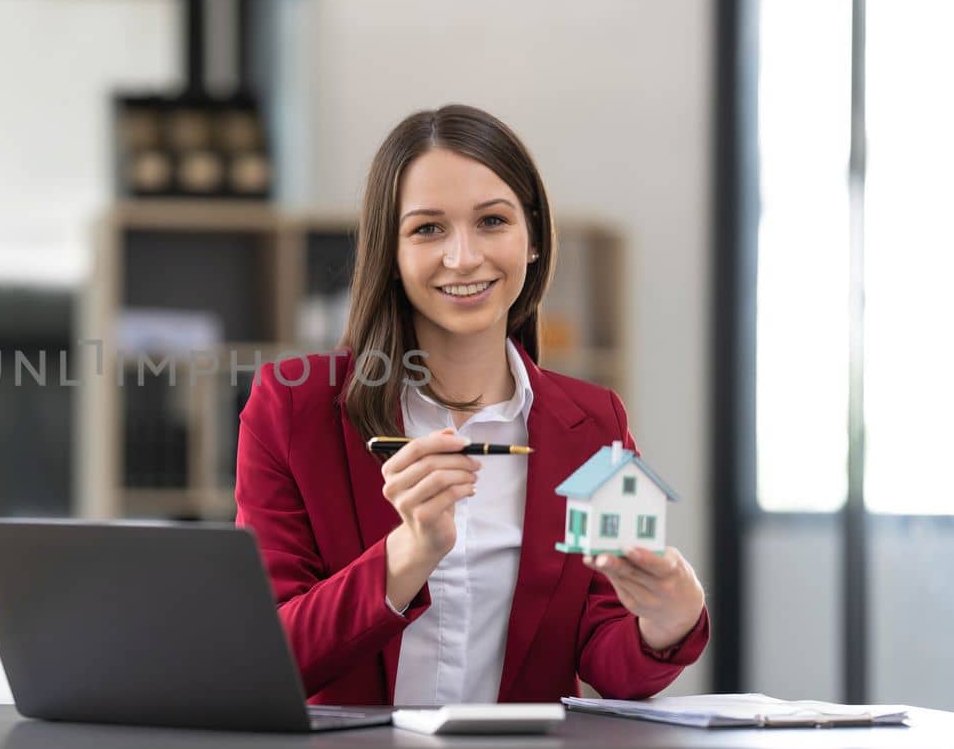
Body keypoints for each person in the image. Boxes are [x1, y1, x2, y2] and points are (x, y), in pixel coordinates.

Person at [234, 104, 708, 706]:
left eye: (492, 221)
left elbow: (606, 659)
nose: (463, 257)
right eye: (428, 229)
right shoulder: (293, 410)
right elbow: (266, 658)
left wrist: (666, 622)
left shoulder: (592, 424)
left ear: (532, 238)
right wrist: (408, 555)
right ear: (392, 251)